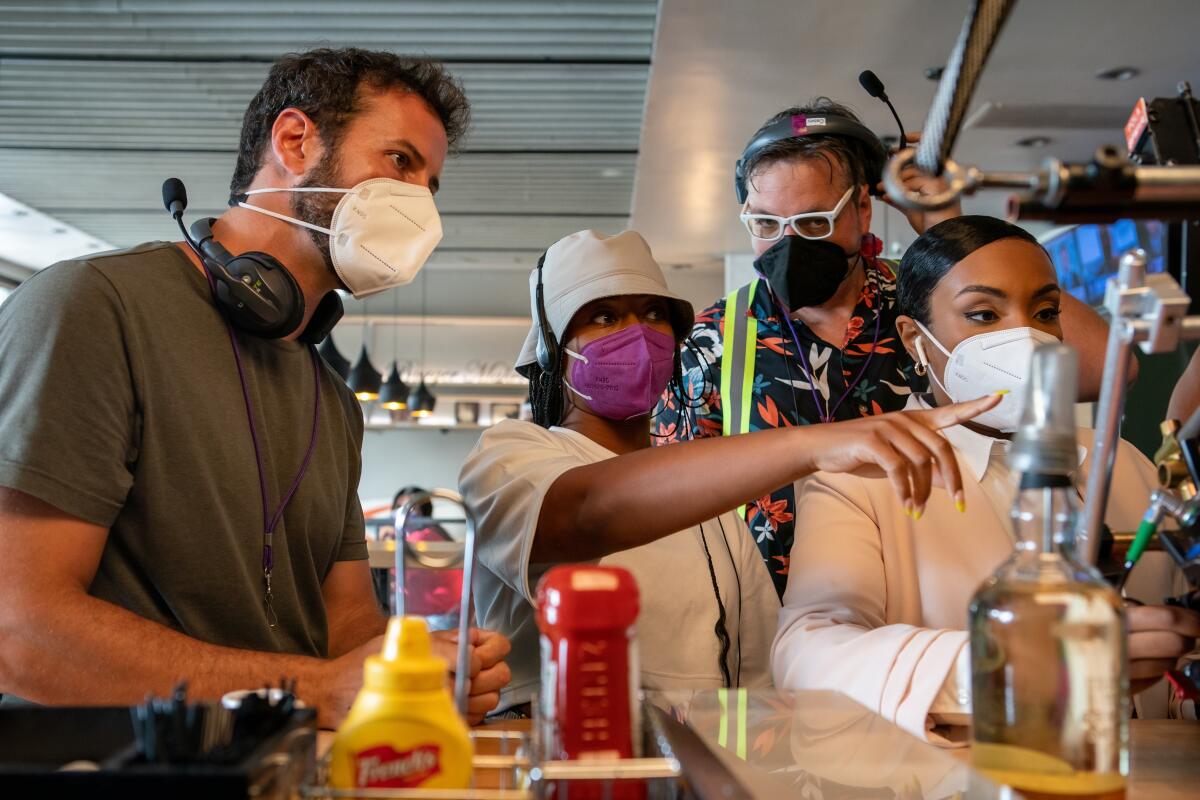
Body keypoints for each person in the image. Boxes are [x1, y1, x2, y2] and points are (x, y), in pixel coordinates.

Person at [0, 48, 508, 727]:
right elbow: (18, 627)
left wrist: (422, 666)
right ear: (295, 141)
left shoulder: (330, 398)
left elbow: (345, 625)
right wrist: (313, 689)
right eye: (399, 162)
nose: (417, 204)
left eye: (428, 185)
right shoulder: (94, 308)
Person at [459, 228, 1004, 713]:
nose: (638, 333)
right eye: (604, 316)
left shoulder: (712, 507)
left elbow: (759, 671)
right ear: (554, 349)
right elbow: (581, 514)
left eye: (653, 314)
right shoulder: (509, 454)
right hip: (559, 750)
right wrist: (813, 444)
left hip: (694, 764)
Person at [656, 98, 1129, 597]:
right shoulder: (710, 341)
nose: (788, 244)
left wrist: (945, 236)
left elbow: (1105, 369)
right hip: (763, 613)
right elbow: (676, 493)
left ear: (863, 209)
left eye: (815, 223)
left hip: (932, 591)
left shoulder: (935, 303)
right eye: (767, 226)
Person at [772, 216, 1200, 743]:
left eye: (1045, 313)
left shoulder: (1123, 464)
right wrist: (1012, 670)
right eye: (982, 314)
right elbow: (807, 652)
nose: (1024, 337)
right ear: (915, 339)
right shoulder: (860, 479)